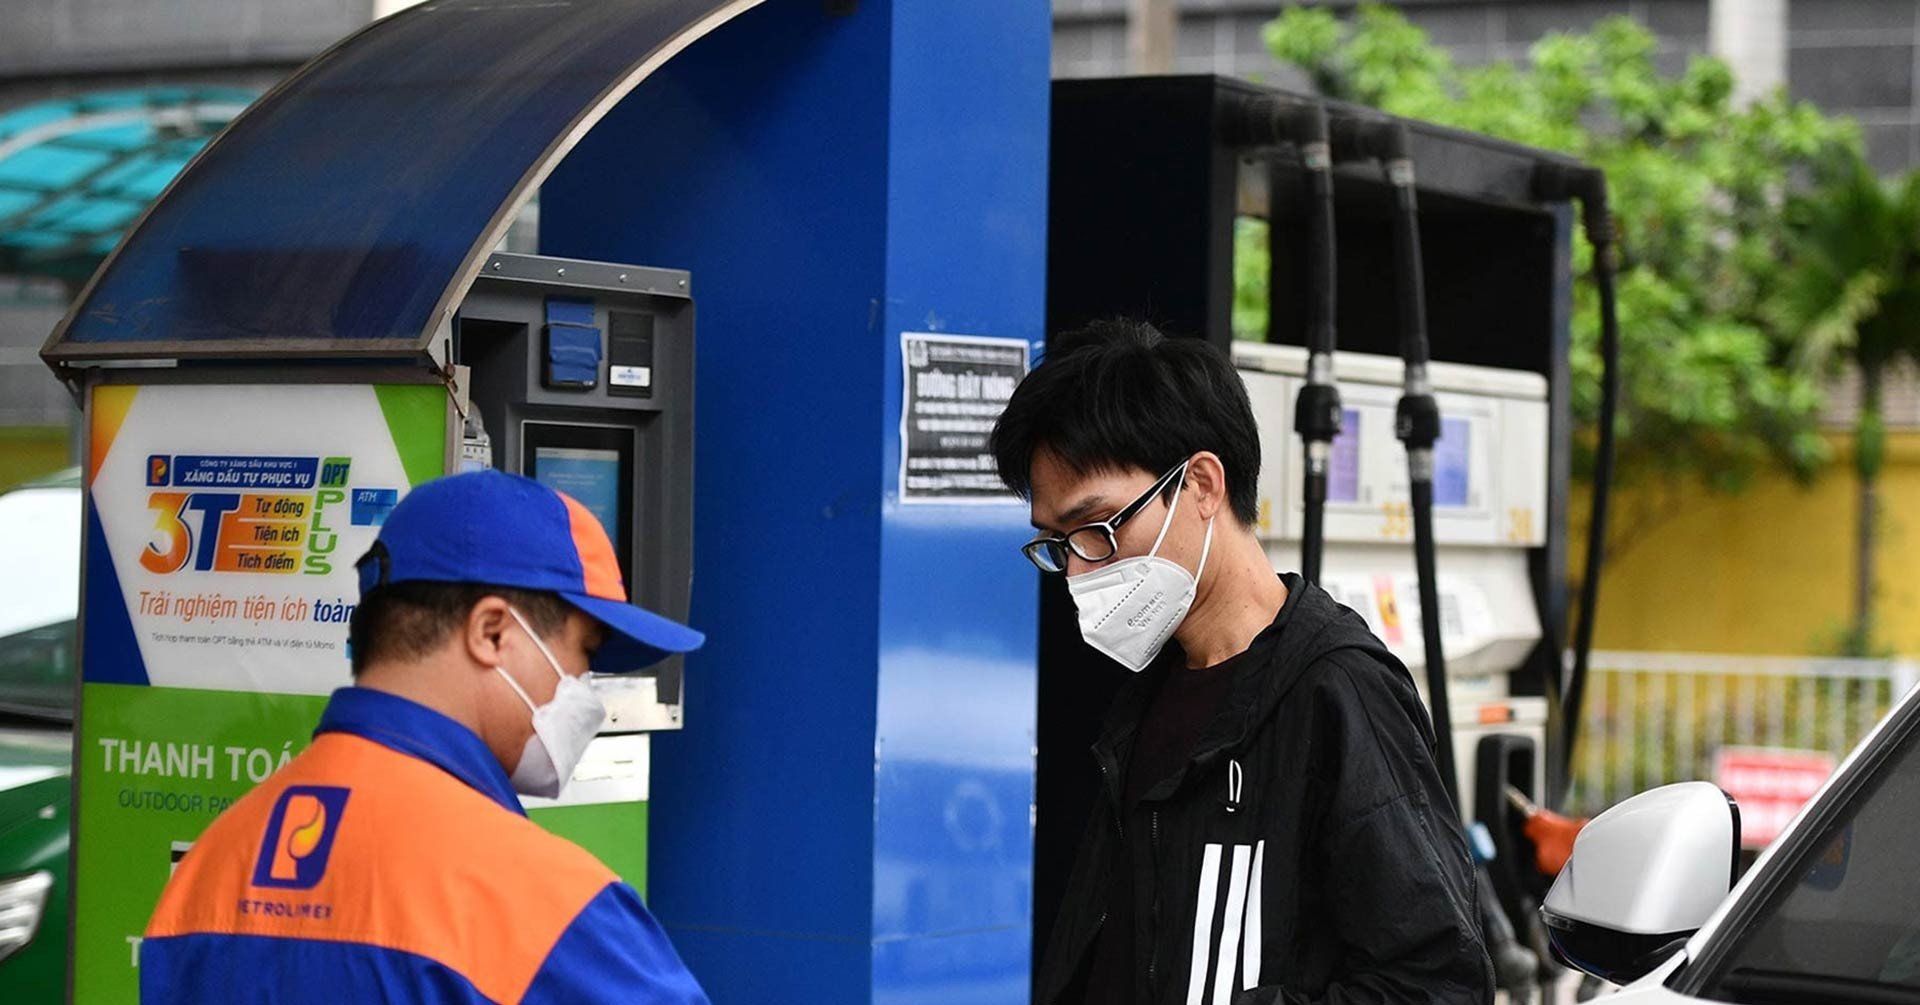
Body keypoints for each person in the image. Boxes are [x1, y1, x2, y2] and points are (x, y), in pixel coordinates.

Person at [994, 320, 1493, 1005]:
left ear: (1201, 484)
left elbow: (1439, 985)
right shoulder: (1149, 689)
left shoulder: (1338, 691)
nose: (1080, 568)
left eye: (1098, 528)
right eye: (1058, 543)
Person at [141, 470, 709, 1004]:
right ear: (491, 632)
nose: (586, 688)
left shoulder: (208, 871)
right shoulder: (549, 906)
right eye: (584, 652)